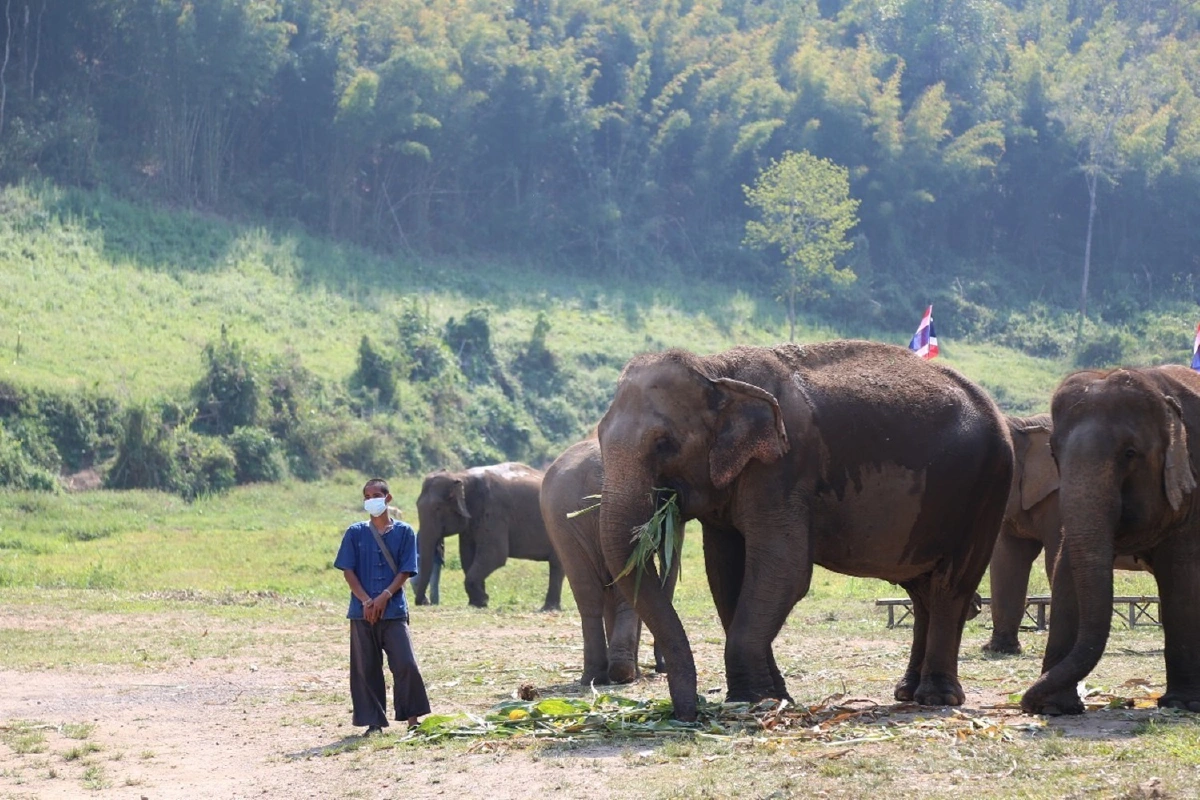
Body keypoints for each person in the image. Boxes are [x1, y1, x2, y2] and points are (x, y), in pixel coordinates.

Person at [334, 478, 431, 736]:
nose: (371, 500)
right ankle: (373, 724)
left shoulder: (405, 532)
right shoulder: (354, 533)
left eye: (376, 495)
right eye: (367, 496)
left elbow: (406, 570)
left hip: (394, 610)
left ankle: (413, 720)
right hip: (361, 612)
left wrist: (385, 596)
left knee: (406, 663)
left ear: (388, 498)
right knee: (366, 668)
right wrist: (366, 600)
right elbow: (348, 571)